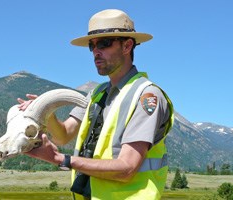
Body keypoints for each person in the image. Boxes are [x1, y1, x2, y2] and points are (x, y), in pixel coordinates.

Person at [18, 9, 174, 200]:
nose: (96, 52)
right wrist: (47, 111)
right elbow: (63, 135)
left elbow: (127, 168)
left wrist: (60, 159)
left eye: (104, 43)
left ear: (127, 46)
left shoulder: (146, 96)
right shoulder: (97, 94)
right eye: (92, 46)